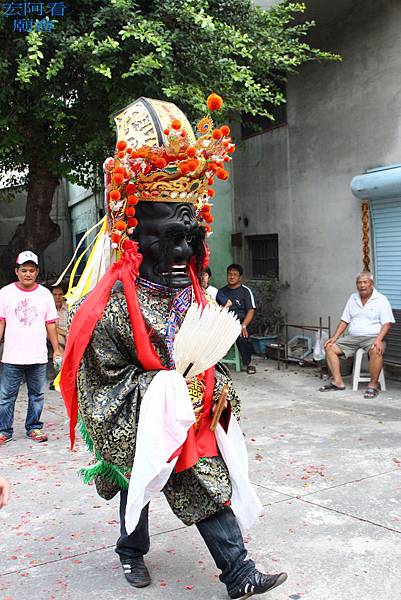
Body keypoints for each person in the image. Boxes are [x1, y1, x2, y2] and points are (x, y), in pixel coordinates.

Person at [60, 97, 287, 599]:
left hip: (188, 413)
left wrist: (214, 387)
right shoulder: (110, 303)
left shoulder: (194, 290)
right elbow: (99, 374)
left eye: (189, 238)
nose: (183, 252)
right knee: (134, 480)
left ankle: (239, 572)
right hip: (140, 415)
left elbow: (206, 356)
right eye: (169, 239)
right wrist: (158, 390)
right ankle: (130, 549)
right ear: (135, 232)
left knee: (202, 473)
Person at [0, 251, 62, 445]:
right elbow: (1, 322)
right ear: (16, 271)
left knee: (37, 395)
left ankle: (34, 427)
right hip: (12, 356)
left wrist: (56, 350)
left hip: (38, 355)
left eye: (31, 270)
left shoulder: (44, 295)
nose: (27, 274)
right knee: (6, 396)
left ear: (37, 272)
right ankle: (4, 430)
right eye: (24, 270)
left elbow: (50, 324)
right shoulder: (5, 293)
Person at [320, 271, 394, 398]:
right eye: (359, 283)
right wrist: (335, 337)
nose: (362, 285)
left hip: (372, 337)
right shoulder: (353, 298)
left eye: (365, 282)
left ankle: (373, 385)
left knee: (376, 350)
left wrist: (379, 340)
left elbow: (387, 324)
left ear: (371, 284)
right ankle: (338, 382)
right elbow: (345, 320)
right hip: (353, 338)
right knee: (329, 346)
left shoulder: (381, 300)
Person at [218, 264, 257, 374]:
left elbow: (251, 310)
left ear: (240, 277)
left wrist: (243, 325)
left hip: (241, 322)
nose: (232, 277)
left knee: (243, 337)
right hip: (225, 322)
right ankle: (215, 364)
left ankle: (248, 364)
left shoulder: (245, 291)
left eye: (235, 275)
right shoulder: (221, 292)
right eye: (230, 274)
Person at [52, 285, 68, 353]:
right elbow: (49, 326)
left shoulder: (69, 307)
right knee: (57, 337)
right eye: (55, 295)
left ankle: (62, 361)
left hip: (69, 333)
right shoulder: (49, 308)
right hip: (55, 333)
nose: (57, 297)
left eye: (60, 294)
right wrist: (65, 333)